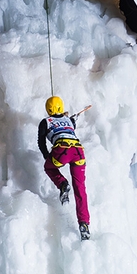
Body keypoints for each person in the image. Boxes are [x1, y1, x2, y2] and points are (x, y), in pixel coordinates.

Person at [38, 95, 90, 240]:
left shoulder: (45, 122)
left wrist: (48, 157)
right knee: (80, 189)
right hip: (78, 152)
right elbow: (70, 124)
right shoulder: (69, 121)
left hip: (62, 150)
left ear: (48, 109)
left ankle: (62, 184)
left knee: (49, 168)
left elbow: (41, 143)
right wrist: (71, 119)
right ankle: (84, 224)